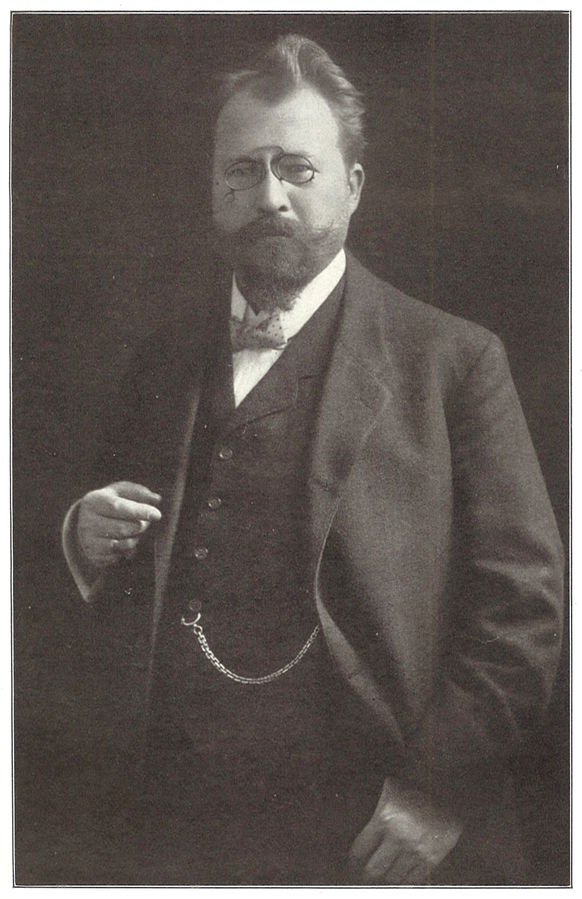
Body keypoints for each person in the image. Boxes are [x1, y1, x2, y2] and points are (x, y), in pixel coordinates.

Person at [62, 34, 564, 886]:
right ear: (212, 187)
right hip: (173, 825)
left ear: (353, 185)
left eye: (297, 169)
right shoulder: (159, 361)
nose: (269, 196)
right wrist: (81, 537)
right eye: (242, 170)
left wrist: (437, 790)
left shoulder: (453, 361)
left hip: (369, 824)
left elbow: (525, 609)